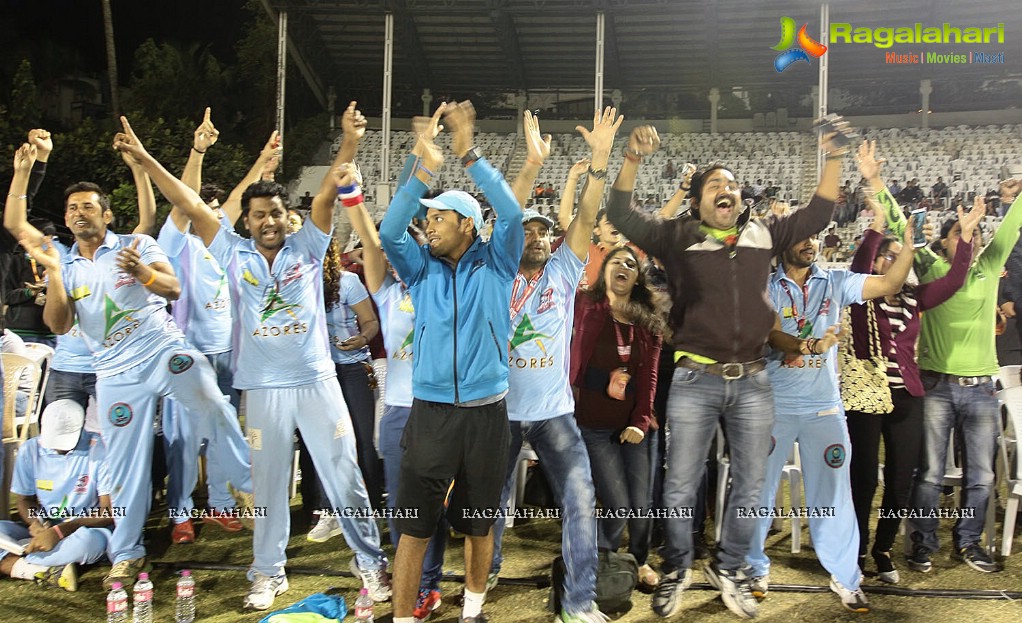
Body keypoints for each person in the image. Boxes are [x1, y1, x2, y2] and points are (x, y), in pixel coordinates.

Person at [109, 107, 390, 610]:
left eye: (276, 213)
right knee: (268, 483)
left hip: (317, 381)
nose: (268, 222)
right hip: (262, 388)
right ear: (246, 220)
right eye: (258, 215)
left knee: (343, 472)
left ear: (288, 217)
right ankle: (268, 572)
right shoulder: (231, 251)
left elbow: (327, 192)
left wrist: (348, 142)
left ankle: (369, 561)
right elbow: (190, 203)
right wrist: (147, 160)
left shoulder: (308, 243)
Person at [605, 119, 854, 619]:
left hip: (755, 380)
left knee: (750, 482)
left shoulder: (765, 232)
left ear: (743, 200)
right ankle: (678, 567)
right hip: (695, 379)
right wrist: (631, 159)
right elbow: (620, 214)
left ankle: (732, 566)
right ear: (698, 200)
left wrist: (833, 156)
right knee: (679, 485)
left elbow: (821, 211)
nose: (727, 189)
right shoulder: (676, 236)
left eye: (733, 184)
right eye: (715, 184)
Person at [7, 141, 239, 591]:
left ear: (107, 215)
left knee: (208, 397)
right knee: (123, 464)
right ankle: (125, 551)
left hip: (159, 355)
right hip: (112, 375)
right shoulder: (62, 260)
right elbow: (53, 312)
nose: (78, 212)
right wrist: (23, 172)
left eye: (89, 206)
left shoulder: (136, 244)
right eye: (72, 207)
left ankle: (242, 480)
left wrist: (144, 275)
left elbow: (172, 289)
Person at [379, 100, 523, 623]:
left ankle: (473, 612)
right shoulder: (420, 270)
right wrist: (423, 169)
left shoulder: (499, 259)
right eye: (429, 217)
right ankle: (400, 617)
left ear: (467, 224)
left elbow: (509, 211)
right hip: (431, 413)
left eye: (439, 218)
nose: (429, 225)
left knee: (479, 524)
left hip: (487, 414)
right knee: (415, 527)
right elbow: (391, 230)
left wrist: (469, 153)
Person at [489, 107, 622, 623]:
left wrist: (601, 156)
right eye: (530, 232)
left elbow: (587, 216)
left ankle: (579, 602)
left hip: (553, 413)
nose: (540, 238)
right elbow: (505, 216)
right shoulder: (497, 272)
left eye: (545, 232)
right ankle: (489, 568)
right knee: (493, 505)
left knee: (579, 501)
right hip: (498, 410)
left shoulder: (566, 270)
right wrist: (532, 162)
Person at [746, 218, 916, 614]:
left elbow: (889, 285)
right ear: (785, 244)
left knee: (834, 497)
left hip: (825, 409)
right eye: (803, 236)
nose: (812, 242)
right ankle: (753, 568)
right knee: (758, 492)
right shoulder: (765, 284)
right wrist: (810, 344)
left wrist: (908, 247)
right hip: (775, 406)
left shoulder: (836, 281)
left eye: (815, 236)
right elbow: (772, 334)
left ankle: (846, 576)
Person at [873, 169, 1022, 575]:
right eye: (958, 232)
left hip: (981, 390)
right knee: (930, 473)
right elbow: (902, 224)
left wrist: (1014, 196)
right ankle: (921, 544)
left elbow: (1012, 226)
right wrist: (875, 179)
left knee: (982, 475)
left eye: (971, 232)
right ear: (943, 242)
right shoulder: (932, 267)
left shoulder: (989, 266)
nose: (967, 237)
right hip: (936, 385)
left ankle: (969, 542)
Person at [845, 146, 980, 584]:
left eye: (896, 256)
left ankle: (884, 550)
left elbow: (956, 280)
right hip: (866, 397)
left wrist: (968, 238)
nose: (891, 262)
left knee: (901, 481)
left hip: (907, 397)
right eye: (886, 256)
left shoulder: (916, 299)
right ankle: (857, 551)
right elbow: (859, 267)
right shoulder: (861, 295)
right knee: (863, 479)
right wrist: (876, 230)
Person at [157, 108, 254, 543]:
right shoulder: (176, 245)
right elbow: (184, 200)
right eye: (205, 209)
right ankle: (179, 512)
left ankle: (220, 503)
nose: (211, 214)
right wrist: (198, 152)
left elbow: (236, 200)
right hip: (186, 353)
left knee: (223, 429)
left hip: (226, 353)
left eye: (216, 211)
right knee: (182, 437)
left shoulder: (226, 247)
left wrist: (263, 165)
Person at [571, 245, 664, 593]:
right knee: (617, 504)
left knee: (641, 504)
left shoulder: (648, 320)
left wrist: (640, 422)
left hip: (635, 426)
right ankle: (599, 561)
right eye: (616, 261)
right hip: (593, 424)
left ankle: (639, 560)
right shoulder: (584, 307)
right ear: (604, 270)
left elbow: (650, 377)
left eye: (631, 263)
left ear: (638, 277)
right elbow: (574, 363)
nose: (623, 266)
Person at [0, 400, 112, 592]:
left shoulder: (100, 450)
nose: (59, 448)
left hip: (84, 529)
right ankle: (41, 569)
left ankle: (17, 565)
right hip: (46, 527)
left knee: (87, 543)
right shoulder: (30, 449)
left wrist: (61, 531)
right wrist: (35, 522)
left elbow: (109, 511)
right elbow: (24, 500)